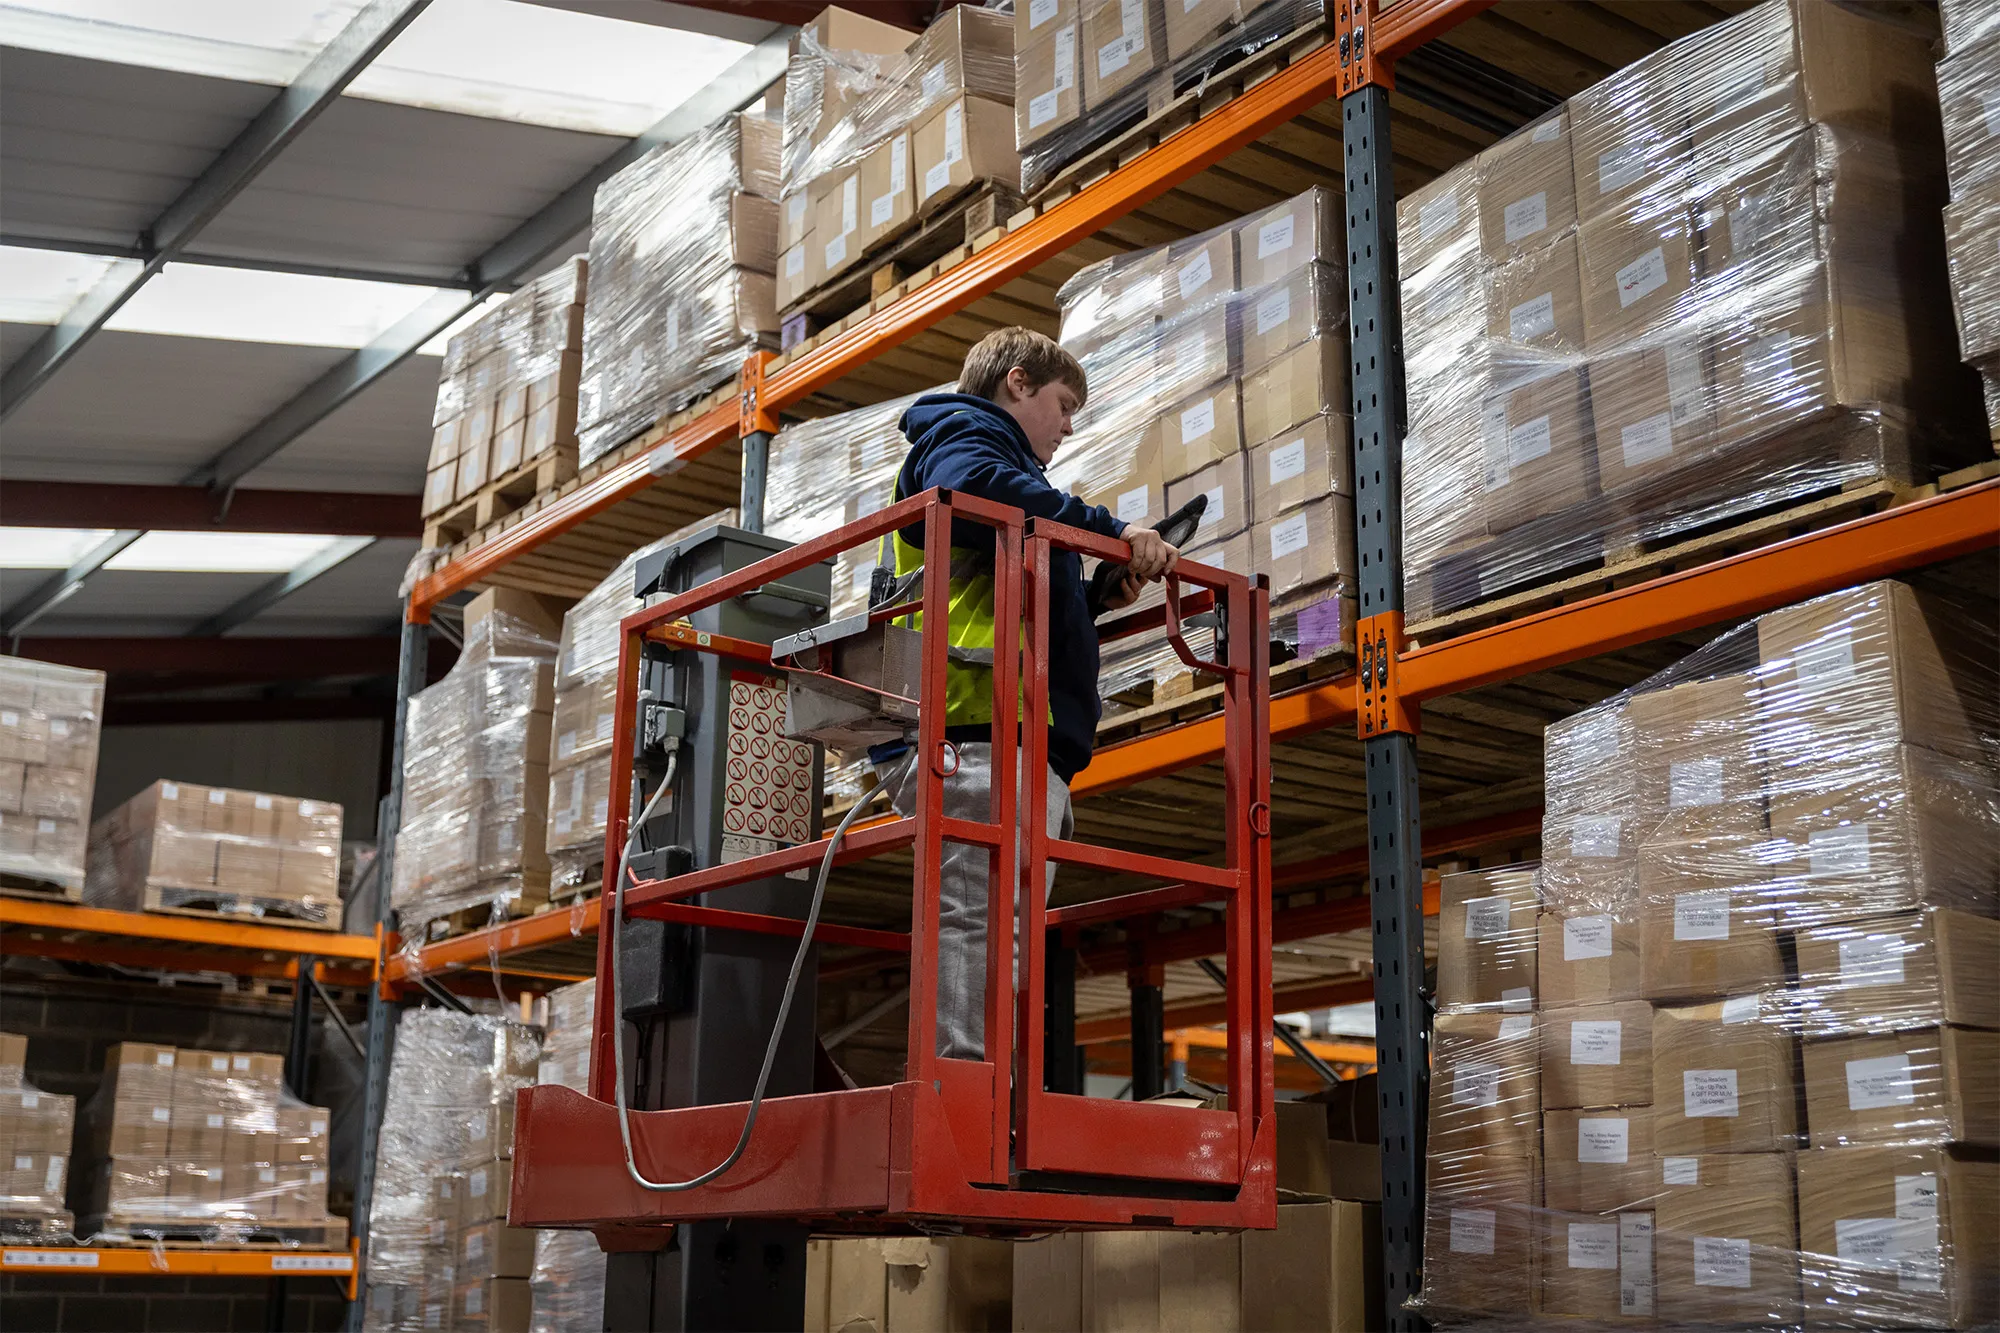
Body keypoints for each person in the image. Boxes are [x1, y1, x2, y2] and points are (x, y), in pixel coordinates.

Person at [870, 327, 1179, 1061]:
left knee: (998, 931)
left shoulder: (1009, 477)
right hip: (972, 726)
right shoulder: (964, 437)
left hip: (1006, 728)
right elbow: (974, 492)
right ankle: (962, 1105)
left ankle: (984, 1103)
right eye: (1064, 404)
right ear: (1018, 383)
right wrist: (1110, 529)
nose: (1069, 426)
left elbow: (1010, 587)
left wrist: (1095, 590)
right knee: (977, 923)